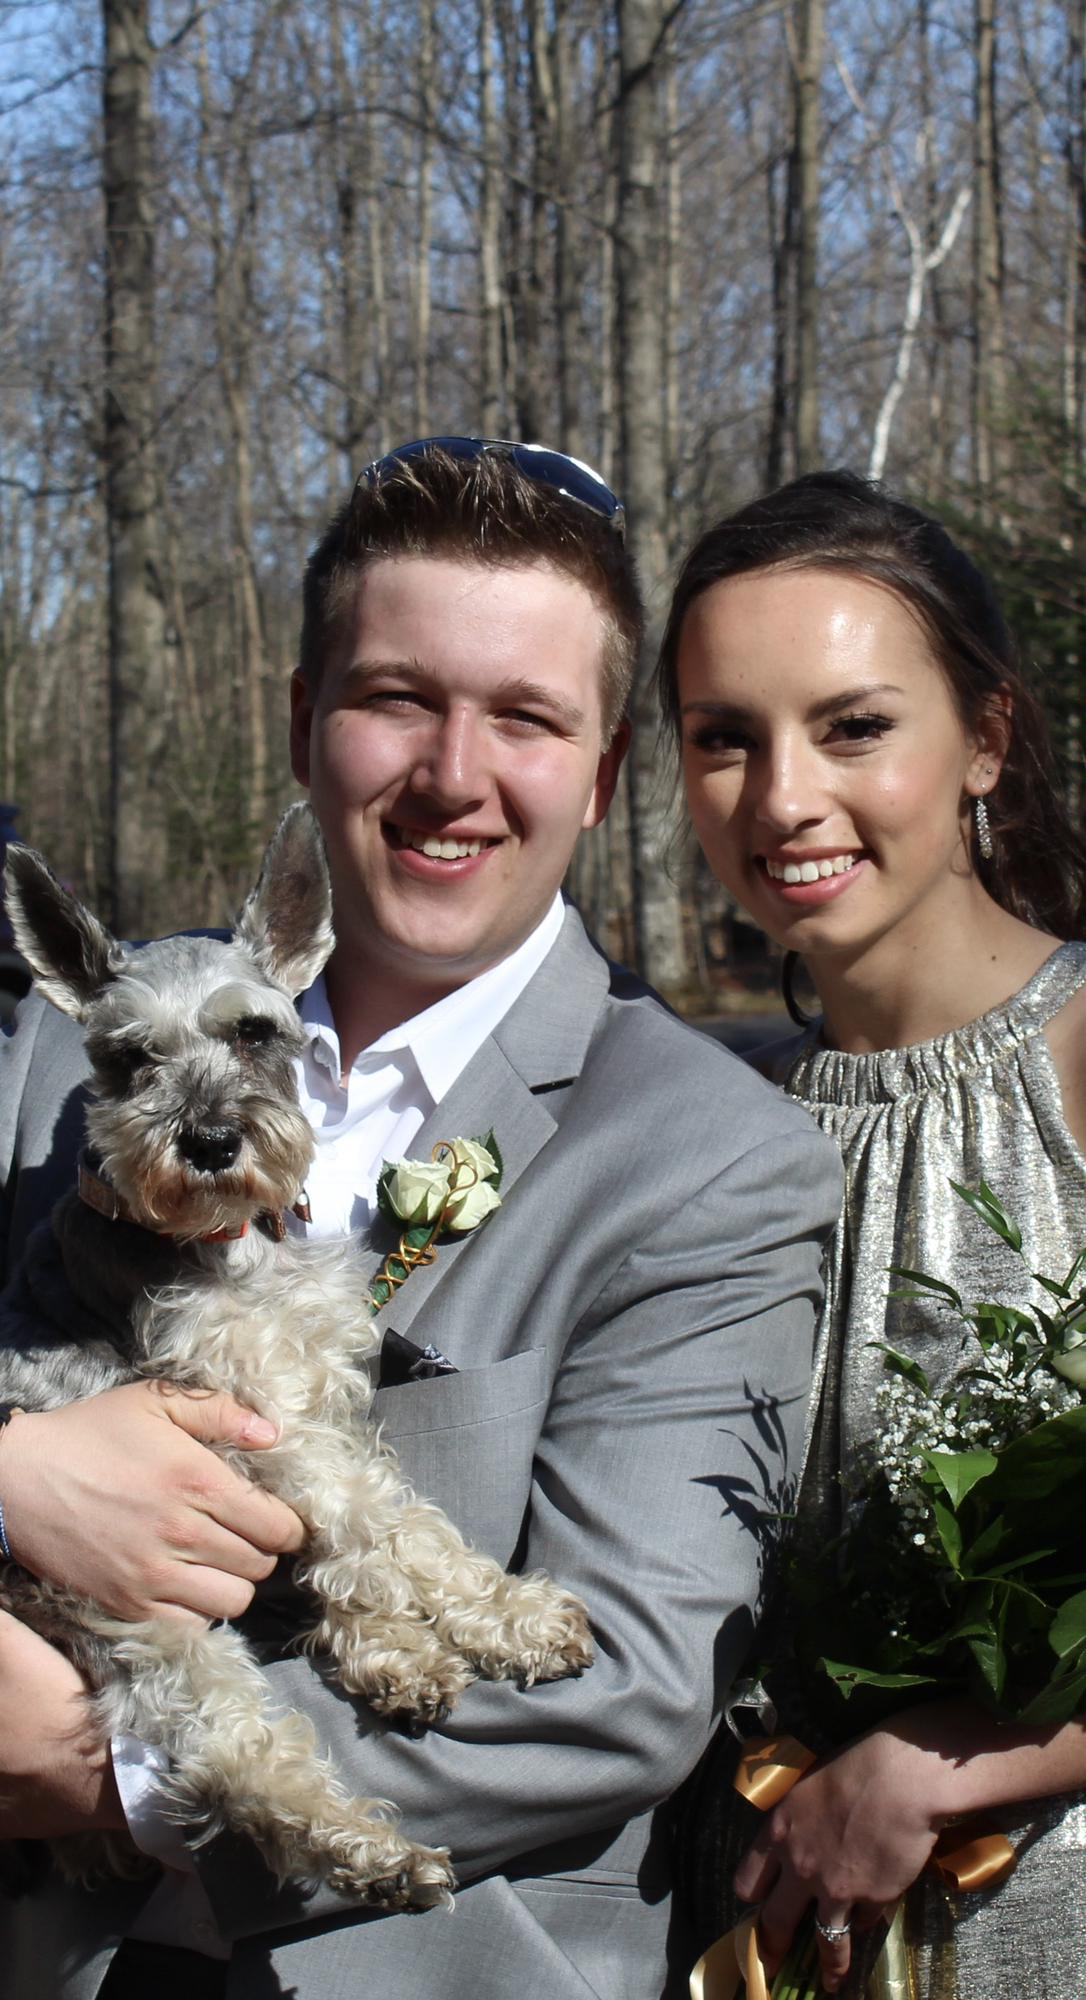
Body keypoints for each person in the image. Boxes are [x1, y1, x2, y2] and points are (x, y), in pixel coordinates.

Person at [0, 439, 840, 2000]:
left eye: (525, 717)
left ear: (597, 777)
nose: (452, 774)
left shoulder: (711, 1157)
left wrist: (101, 1772)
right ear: (305, 724)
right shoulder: (55, 1063)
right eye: (396, 698)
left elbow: (634, 1680)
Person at [658, 466, 1086, 1999]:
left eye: (852, 726)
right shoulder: (718, 1131)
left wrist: (953, 1756)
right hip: (762, 1931)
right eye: (723, 739)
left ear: (984, 739)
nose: (779, 800)